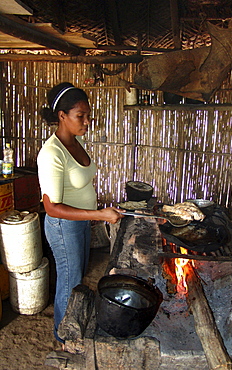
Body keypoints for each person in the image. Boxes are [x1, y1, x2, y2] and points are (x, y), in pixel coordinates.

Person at [37, 82, 123, 344]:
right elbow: (51, 207)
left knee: (78, 274)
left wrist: (94, 216)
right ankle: (63, 338)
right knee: (70, 280)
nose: (87, 121)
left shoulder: (76, 141)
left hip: (81, 223)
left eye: (88, 115)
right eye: (80, 116)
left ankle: (72, 327)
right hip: (63, 227)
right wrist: (99, 215)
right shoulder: (51, 153)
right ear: (62, 116)